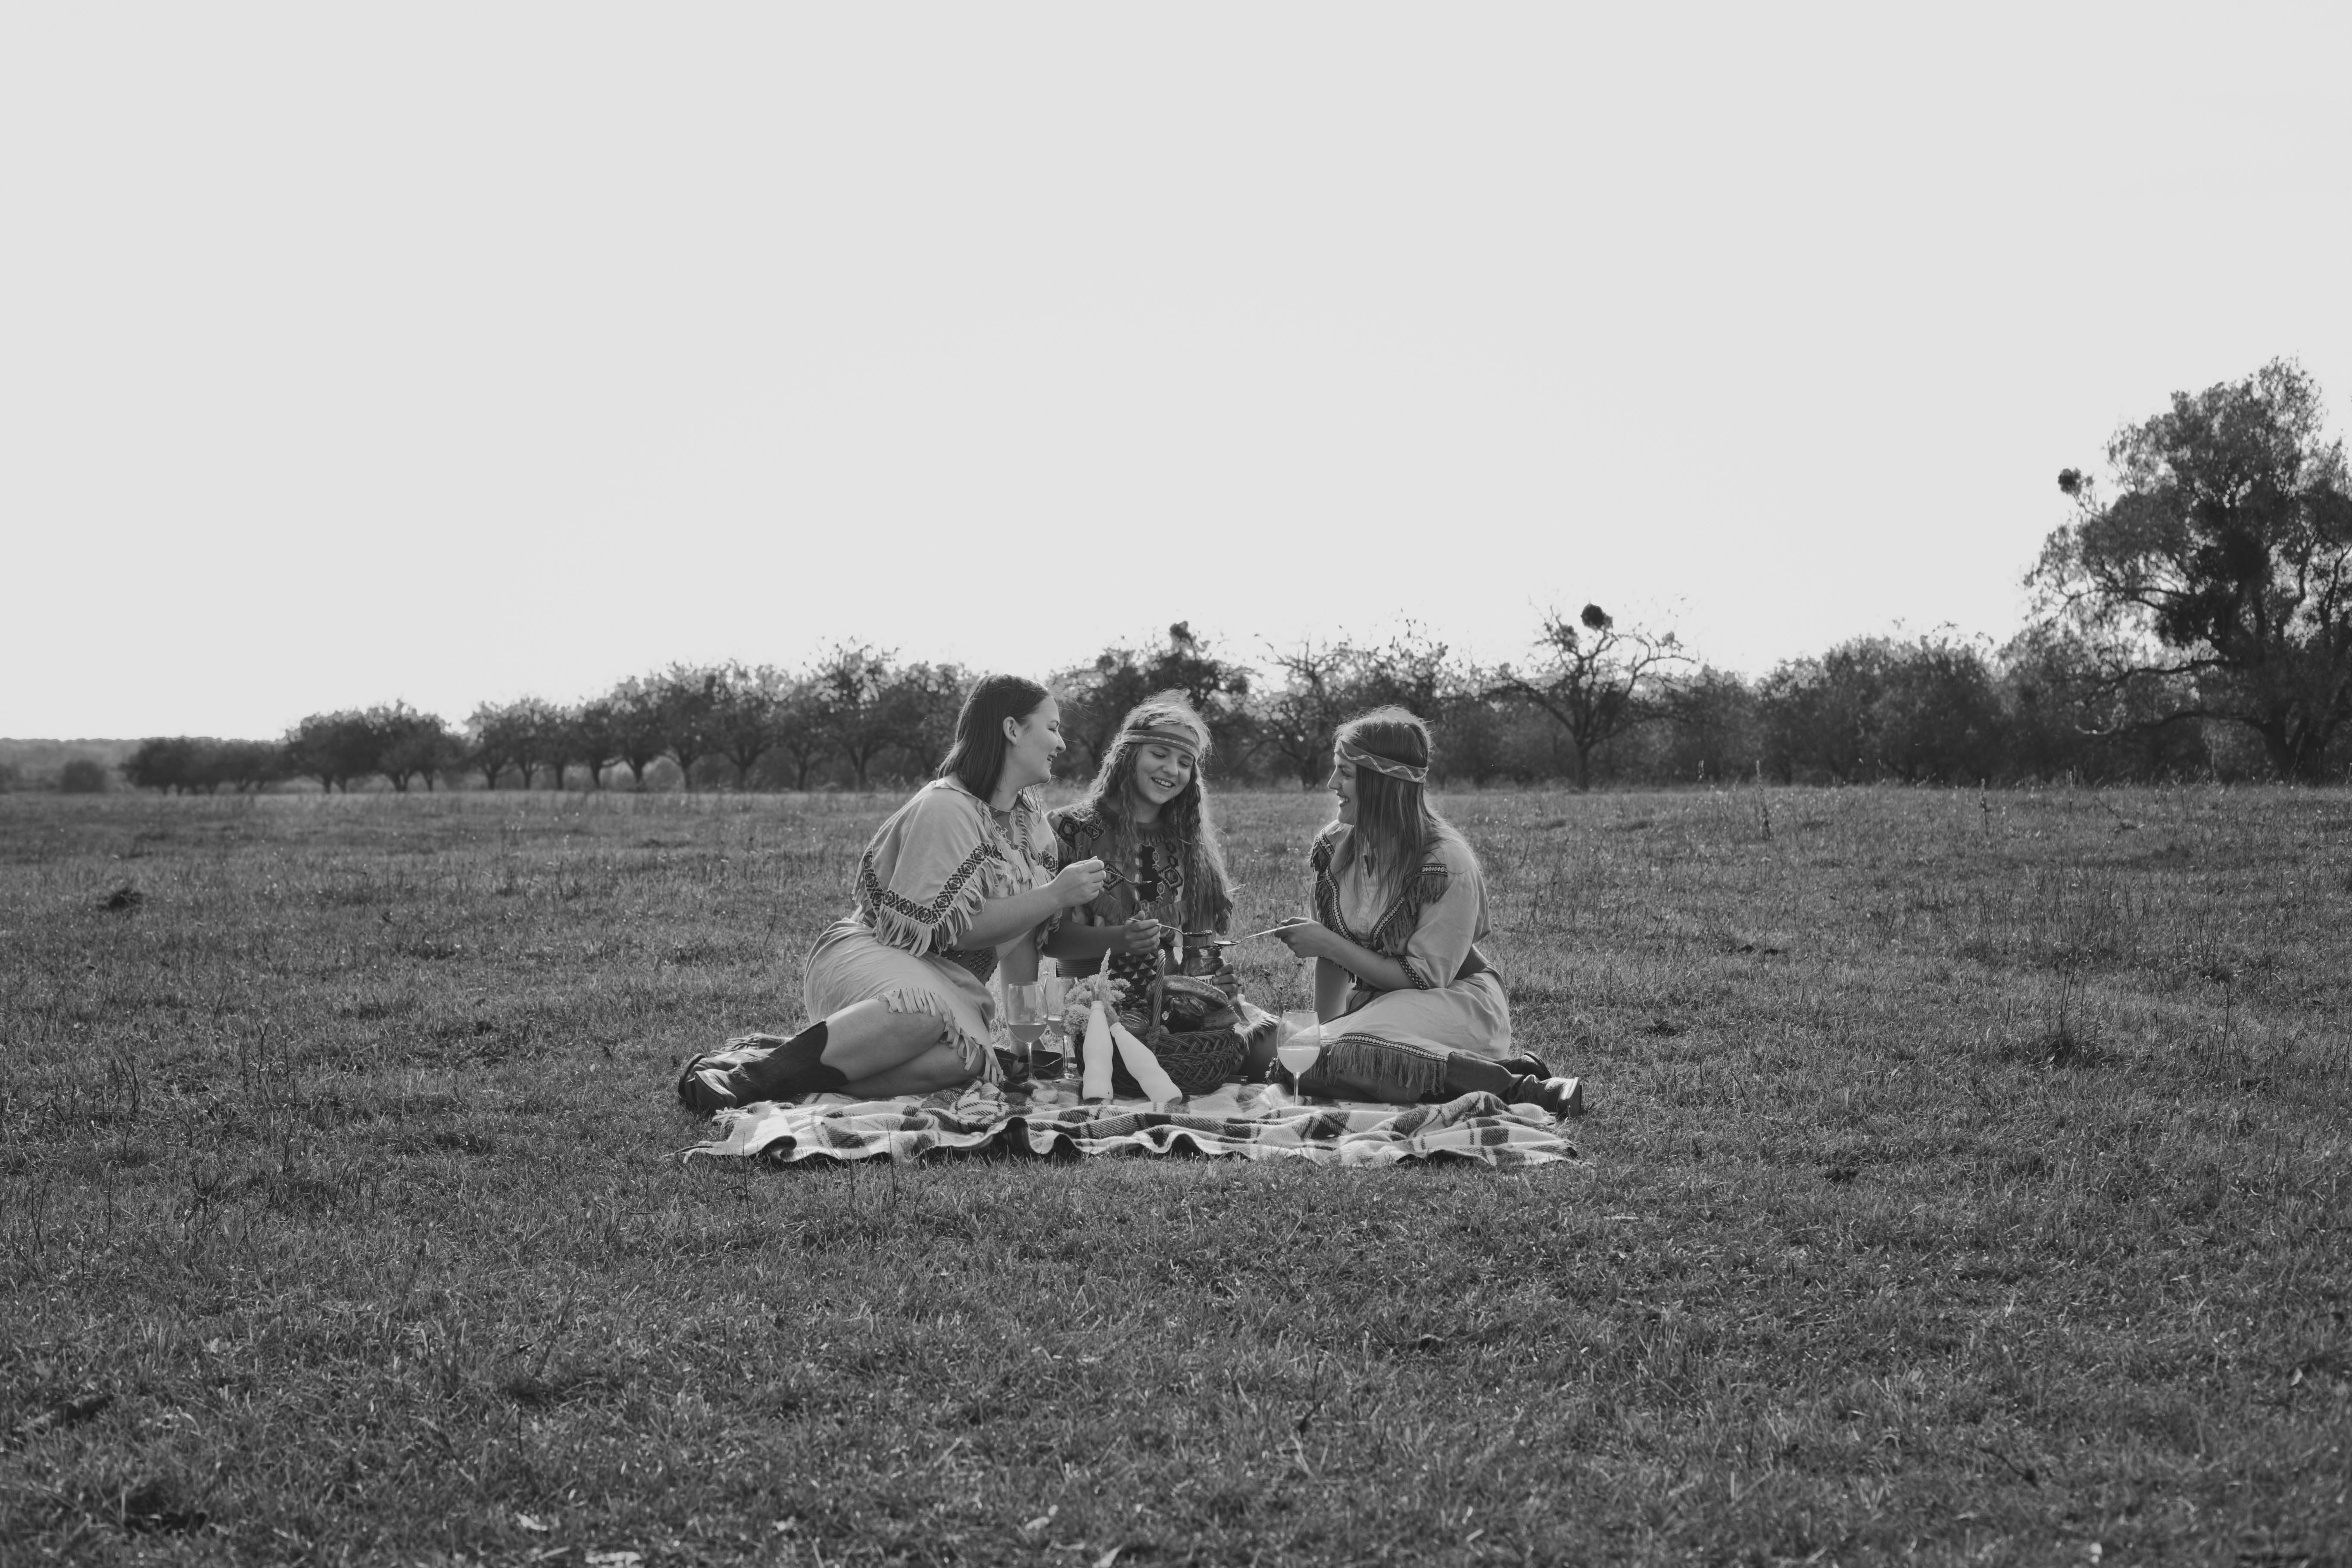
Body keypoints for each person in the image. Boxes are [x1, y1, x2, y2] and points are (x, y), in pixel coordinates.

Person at [677, 675, 1106, 1112]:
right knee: (923, 1013)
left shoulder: (1033, 829)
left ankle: (778, 1059)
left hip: (952, 986)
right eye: (1052, 728)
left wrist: (1024, 1045)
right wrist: (1055, 896)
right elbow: (954, 932)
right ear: (1013, 730)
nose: (1062, 743)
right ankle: (744, 1079)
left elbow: (1020, 937)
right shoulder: (946, 808)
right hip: (873, 959)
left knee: (969, 1060)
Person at [1270, 707, 1581, 1115]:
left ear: (1382, 782)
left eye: (1345, 773)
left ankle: (1522, 1089)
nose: (1333, 784)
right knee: (1309, 1060)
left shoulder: (1444, 862)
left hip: (1456, 1002)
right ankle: (1494, 1072)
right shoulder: (1335, 847)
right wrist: (1323, 1033)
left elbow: (1420, 979)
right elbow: (1330, 959)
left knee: (1349, 1051)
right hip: (1382, 1011)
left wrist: (1326, 944)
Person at [1043, 693, 1235, 990]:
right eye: (1159, 754)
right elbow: (1050, 939)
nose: (1172, 769)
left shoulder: (1191, 845)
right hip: (1085, 1007)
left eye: (1185, 763)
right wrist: (1120, 939)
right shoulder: (1068, 829)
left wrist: (1213, 981)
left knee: (1267, 1033)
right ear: (1128, 755)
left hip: (1170, 1010)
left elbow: (1198, 957)